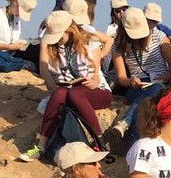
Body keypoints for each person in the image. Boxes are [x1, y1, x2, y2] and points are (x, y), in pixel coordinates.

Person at [18, 11, 112, 162]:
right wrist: (53, 86)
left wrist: (94, 80)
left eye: (60, 37)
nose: (57, 41)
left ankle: (99, 140)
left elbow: (96, 70)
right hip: (68, 89)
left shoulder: (89, 39)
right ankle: (41, 146)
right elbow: (44, 68)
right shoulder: (52, 45)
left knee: (74, 94)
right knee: (60, 93)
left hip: (95, 90)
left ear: (69, 31)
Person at [111, 6, 171, 140]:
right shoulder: (118, 45)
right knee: (151, 97)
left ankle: (127, 121)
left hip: (160, 81)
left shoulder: (159, 37)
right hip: (137, 85)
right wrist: (131, 81)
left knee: (154, 91)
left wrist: (168, 73)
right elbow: (121, 78)